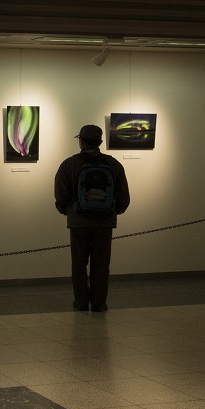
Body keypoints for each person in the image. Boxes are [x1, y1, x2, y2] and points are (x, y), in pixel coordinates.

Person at [54, 124, 131, 312]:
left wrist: (70, 212)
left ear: (81, 141)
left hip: (78, 222)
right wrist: (111, 212)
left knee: (79, 265)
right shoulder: (114, 165)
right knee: (101, 265)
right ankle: (99, 303)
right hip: (104, 223)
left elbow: (61, 195)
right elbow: (124, 198)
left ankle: (80, 303)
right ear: (100, 142)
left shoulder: (69, 164)